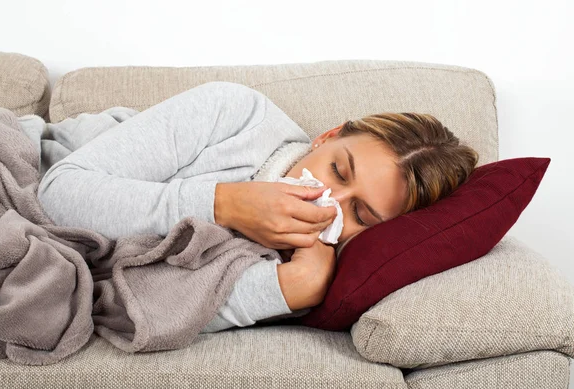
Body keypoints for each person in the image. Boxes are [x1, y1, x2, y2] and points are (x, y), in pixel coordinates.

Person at [36, 81, 479, 333]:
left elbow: (149, 314)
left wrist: (292, 287)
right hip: (26, 166)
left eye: (361, 214)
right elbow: (58, 194)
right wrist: (224, 204)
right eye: (338, 171)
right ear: (327, 136)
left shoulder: (312, 259)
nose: (329, 199)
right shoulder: (235, 114)